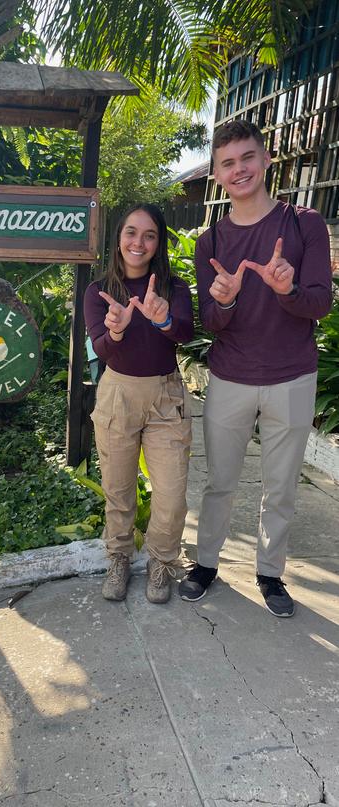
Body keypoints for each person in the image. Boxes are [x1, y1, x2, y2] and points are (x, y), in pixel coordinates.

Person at [179, 120, 333, 617]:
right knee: (219, 482)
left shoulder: (304, 224)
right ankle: (206, 564)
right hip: (230, 378)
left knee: (281, 487)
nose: (239, 169)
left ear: (266, 160)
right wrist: (225, 299)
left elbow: (320, 303)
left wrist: (288, 289)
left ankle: (270, 574)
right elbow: (211, 320)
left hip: (292, 376)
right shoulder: (210, 242)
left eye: (247, 157)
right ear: (217, 175)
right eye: (227, 163)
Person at [84, 203, 194, 603]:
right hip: (118, 394)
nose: (139, 242)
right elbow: (101, 349)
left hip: (166, 396)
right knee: (118, 488)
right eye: (131, 232)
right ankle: (118, 558)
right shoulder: (99, 292)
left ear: (158, 243)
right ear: (118, 238)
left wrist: (162, 319)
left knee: (172, 493)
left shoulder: (173, 288)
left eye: (149, 235)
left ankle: (161, 562)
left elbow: (184, 333)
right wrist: (116, 331)